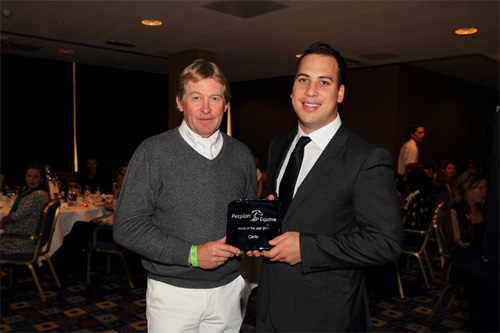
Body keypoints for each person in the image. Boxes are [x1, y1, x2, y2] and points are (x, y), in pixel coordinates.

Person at [248, 42, 403, 332]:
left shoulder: (366, 157)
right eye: (303, 79)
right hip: (270, 308)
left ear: (340, 93)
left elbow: (387, 243)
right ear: (292, 89)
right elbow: (286, 212)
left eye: (324, 82)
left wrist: (306, 248)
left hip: (326, 315)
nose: (310, 91)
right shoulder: (279, 145)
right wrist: (261, 232)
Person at [113, 59, 257, 332]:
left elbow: (244, 221)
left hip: (229, 289)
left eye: (214, 98)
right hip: (173, 293)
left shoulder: (242, 155)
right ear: (180, 103)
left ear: (225, 105)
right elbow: (127, 227)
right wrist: (191, 254)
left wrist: (261, 225)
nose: (206, 108)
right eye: (196, 97)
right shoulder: (153, 152)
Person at [0, 164, 50, 254]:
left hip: (23, 241)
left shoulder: (37, 195)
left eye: (35, 177)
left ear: (42, 179)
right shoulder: (37, 192)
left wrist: (5, 220)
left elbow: (17, 216)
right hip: (24, 235)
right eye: (29, 176)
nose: (31, 179)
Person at [442, 171, 487, 252]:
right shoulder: (454, 212)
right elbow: (455, 244)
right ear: (467, 190)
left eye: (485, 188)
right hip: (465, 256)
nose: (484, 192)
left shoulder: (484, 210)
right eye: (480, 188)